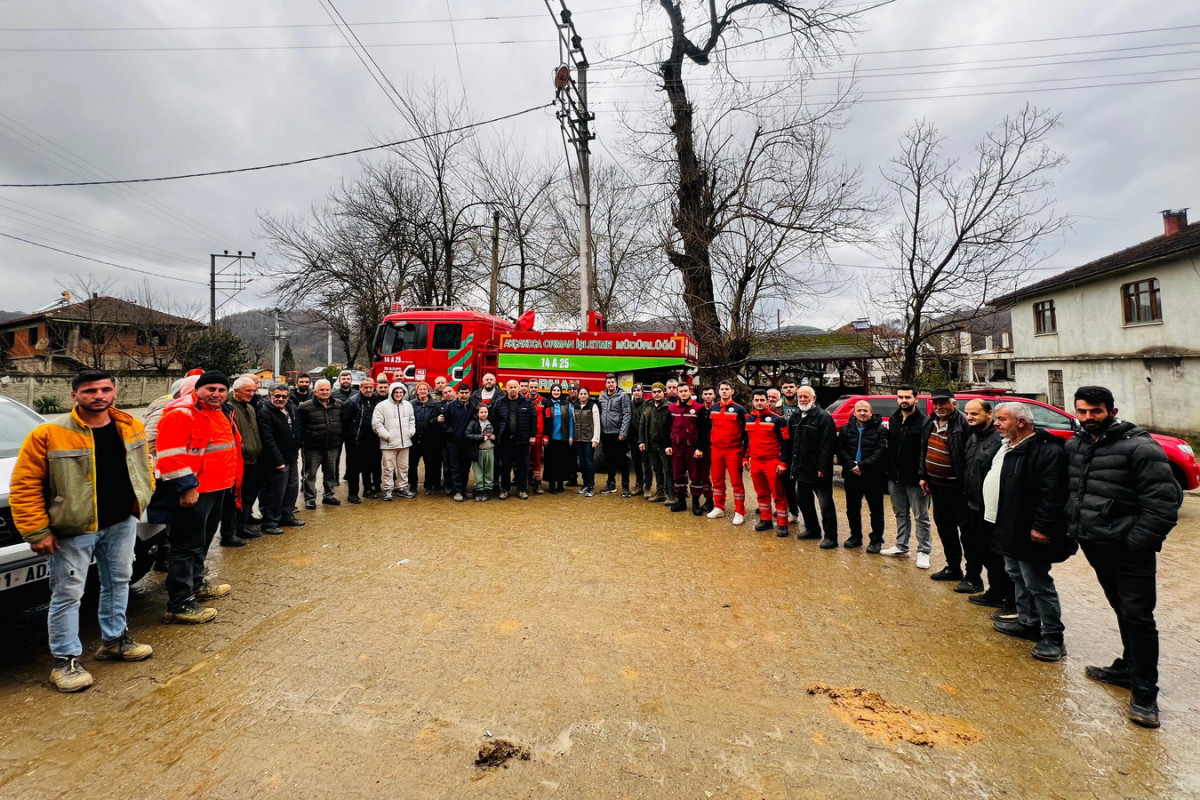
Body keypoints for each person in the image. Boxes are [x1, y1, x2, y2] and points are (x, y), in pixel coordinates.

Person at [10, 370, 155, 692]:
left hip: (121, 522)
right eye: (90, 390)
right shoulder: (49, 434)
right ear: (75, 395)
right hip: (74, 530)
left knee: (119, 582)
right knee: (67, 594)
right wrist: (36, 531)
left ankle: (115, 640)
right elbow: (25, 485)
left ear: (114, 392)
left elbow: (144, 463)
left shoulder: (130, 425)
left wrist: (144, 493)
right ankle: (65, 660)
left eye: (105, 389)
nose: (99, 395)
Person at [1066, 386, 1180, 729]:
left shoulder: (1141, 448)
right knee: (1121, 608)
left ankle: (1145, 694)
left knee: (1139, 616)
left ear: (1111, 411)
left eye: (1096, 411)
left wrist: (1136, 543)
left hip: (1130, 550)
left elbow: (1163, 505)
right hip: (1096, 543)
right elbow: (1076, 492)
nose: (1088, 418)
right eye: (1083, 411)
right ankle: (1129, 667)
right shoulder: (1077, 445)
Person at [987, 403, 1075, 664]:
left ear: (1021, 422)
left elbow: (1053, 494)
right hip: (1010, 526)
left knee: (1037, 582)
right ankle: (1028, 623)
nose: (996, 424)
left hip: (1031, 531)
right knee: (1016, 575)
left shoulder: (1047, 451)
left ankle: (1052, 636)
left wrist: (1042, 527)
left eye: (1001, 419)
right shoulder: (1011, 447)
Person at [154, 370, 241, 625]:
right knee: (186, 545)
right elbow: (171, 455)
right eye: (210, 389)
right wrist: (187, 487)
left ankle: (196, 584)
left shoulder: (220, 412)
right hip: (195, 491)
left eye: (221, 390)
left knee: (201, 541)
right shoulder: (181, 413)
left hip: (217, 488)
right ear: (198, 389)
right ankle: (179, 603)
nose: (216, 394)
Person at [919, 388, 973, 583]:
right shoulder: (929, 421)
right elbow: (923, 450)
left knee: (967, 534)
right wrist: (923, 475)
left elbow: (969, 457)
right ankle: (953, 568)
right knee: (945, 529)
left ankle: (973, 575)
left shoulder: (964, 423)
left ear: (954, 403)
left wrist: (968, 484)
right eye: (936, 403)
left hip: (958, 488)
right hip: (936, 486)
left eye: (943, 402)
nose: (939, 406)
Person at [962, 399, 1012, 610]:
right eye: (967, 413)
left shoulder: (998, 440)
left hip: (990, 508)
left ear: (988, 414)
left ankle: (1002, 594)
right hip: (973, 504)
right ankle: (993, 590)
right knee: (979, 549)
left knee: (995, 555)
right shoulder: (973, 437)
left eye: (975, 414)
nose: (970, 417)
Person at [882, 385, 933, 567]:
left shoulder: (924, 422)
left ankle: (924, 551)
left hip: (916, 478)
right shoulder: (894, 420)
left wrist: (924, 475)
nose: (904, 400)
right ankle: (901, 546)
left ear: (916, 399)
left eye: (908, 397)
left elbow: (925, 451)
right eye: (901, 397)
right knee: (900, 513)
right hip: (895, 476)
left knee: (921, 516)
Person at [786, 385, 838, 547]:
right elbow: (790, 442)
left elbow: (827, 446)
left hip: (818, 470)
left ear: (814, 398)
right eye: (800, 397)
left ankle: (831, 537)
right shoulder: (795, 416)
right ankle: (813, 529)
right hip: (801, 468)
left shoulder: (824, 418)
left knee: (825, 504)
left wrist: (822, 467)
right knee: (803, 500)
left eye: (806, 397)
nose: (802, 399)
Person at [837, 399, 887, 551]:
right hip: (852, 475)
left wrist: (862, 466)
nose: (862, 413)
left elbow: (881, 452)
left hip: (873, 475)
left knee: (876, 510)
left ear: (871, 412)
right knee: (852, 508)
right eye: (859, 410)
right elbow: (840, 449)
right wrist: (852, 465)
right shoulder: (846, 429)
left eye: (866, 410)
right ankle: (855, 536)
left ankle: (876, 540)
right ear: (854, 413)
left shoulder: (881, 430)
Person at [257, 384, 306, 535]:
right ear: (270, 395)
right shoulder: (265, 412)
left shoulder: (291, 408)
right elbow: (268, 439)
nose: (280, 399)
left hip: (291, 456)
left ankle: (287, 516)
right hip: (276, 459)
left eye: (284, 396)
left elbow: (297, 428)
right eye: (277, 396)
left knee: (291, 488)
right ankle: (270, 522)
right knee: (275, 492)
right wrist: (278, 460)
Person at [744, 388, 789, 536]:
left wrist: (783, 462)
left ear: (767, 401)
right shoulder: (749, 419)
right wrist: (746, 457)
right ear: (753, 402)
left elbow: (785, 443)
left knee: (778, 494)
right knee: (761, 493)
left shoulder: (778, 420)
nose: (759, 402)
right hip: (756, 462)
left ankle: (782, 524)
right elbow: (748, 442)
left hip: (772, 462)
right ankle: (766, 520)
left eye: (762, 400)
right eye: (756, 400)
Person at [224, 375, 263, 547]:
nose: (252, 394)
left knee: (247, 495)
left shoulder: (250, 408)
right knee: (233, 500)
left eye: (253, 391)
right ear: (236, 391)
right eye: (248, 391)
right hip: (237, 461)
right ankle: (229, 533)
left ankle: (243, 526)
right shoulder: (228, 409)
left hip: (252, 460)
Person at [297, 379, 343, 509]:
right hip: (312, 448)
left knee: (330, 473)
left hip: (333, 446)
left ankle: (328, 496)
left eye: (327, 389)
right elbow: (299, 427)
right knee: (310, 475)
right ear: (315, 392)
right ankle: (310, 498)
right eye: (322, 390)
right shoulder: (305, 407)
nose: (325, 392)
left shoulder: (339, 405)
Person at [707, 380, 747, 525]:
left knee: (736, 482)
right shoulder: (713, 408)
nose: (724, 391)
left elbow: (746, 431)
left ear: (732, 391)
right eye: (721, 389)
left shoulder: (740, 409)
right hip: (716, 450)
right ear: (718, 392)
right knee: (716, 481)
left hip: (733, 450)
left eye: (726, 389)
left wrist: (744, 452)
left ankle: (739, 512)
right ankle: (718, 507)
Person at [667, 383, 709, 515]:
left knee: (695, 476)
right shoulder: (672, 408)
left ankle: (695, 503)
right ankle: (681, 502)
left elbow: (703, 430)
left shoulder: (698, 408)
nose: (683, 393)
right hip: (677, 446)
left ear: (690, 391)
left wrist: (699, 448)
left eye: (685, 391)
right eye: (681, 391)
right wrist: (668, 445)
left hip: (692, 448)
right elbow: (667, 428)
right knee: (678, 474)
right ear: (677, 393)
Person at [491, 380, 537, 500]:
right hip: (505, 441)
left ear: (519, 388)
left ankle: (522, 490)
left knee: (523, 466)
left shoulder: (527, 402)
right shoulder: (500, 402)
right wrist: (496, 434)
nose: (512, 389)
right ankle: (505, 490)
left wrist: (532, 435)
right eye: (510, 387)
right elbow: (494, 418)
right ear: (506, 388)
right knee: (505, 467)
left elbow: (533, 419)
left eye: (515, 387)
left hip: (522, 440)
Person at [372, 382, 416, 501]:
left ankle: (402, 488)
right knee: (388, 468)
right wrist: (387, 436)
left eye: (401, 392)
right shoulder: (381, 406)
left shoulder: (408, 405)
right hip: (388, 443)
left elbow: (412, 420)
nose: (398, 394)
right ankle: (388, 489)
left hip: (405, 442)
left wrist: (410, 432)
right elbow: (376, 424)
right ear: (391, 392)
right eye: (396, 392)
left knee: (403, 467)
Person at [341, 377, 382, 502]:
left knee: (368, 466)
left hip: (372, 439)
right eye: (366, 388)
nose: (368, 390)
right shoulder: (352, 402)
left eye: (370, 387)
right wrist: (350, 438)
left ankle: (367, 489)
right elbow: (345, 423)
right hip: (355, 440)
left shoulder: (377, 400)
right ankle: (352, 493)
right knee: (353, 468)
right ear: (360, 388)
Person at [439, 383, 476, 502]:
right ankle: (457, 491)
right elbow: (443, 422)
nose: (464, 395)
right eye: (462, 393)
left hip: (468, 443)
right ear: (458, 393)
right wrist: (452, 432)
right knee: (455, 467)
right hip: (453, 442)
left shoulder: (473, 407)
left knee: (465, 468)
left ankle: (464, 489)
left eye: (466, 393)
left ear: (470, 393)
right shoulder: (450, 406)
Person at [597, 374, 633, 497]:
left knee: (622, 461)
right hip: (606, 434)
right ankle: (611, 484)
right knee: (609, 460)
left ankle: (625, 486)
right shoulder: (601, 396)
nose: (611, 384)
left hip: (618, 434)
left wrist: (623, 432)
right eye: (608, 382)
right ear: (605, 384)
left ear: (616, 383)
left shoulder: (623, 396)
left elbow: (627, 414)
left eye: (613, 382)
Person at [638, 383, 673, 502]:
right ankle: (660, 492)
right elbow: (642, 424)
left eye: (659, 391)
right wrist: (642, 440)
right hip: (651, 444)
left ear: (664, 393)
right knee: (657, 469)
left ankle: (671, 494)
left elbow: (672, 427)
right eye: (654, 392)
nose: (656, 394)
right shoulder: (647, 405)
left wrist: (670, 444)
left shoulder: (669, 406)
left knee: (668, 470)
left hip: (665, 445)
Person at [409, 381, 443, 496]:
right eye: (420, 389)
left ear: (428, 391)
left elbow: (437, 422)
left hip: (429, 439)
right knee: (412, 464)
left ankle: (428, 486)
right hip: (414, 439)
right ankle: (413, 486)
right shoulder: (411, 404)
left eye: (425, 389)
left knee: (430, 464)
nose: (423, 391)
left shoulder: (435, 405)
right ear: (417, 391)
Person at [541, 384, 575, 494]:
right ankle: (551, 484)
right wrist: (545, 436)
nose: (556, 392)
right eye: (554, 390)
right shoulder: (546, 404)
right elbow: (544, 421)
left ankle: (560, 484)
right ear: (551, 391)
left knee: (562, 461)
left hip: (563, 438)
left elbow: (570, 420)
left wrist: (570, 436)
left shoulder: (567, 404)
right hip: (551, 438)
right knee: (551, 461)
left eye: (558, 390)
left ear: (561, 392)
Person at [777, 380, 802, 523]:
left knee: (804, 485)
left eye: (791, 387)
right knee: (787, 483)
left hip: (802, 448)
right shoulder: (777, 407)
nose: (788, 390)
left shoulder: (804, 403)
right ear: (781, 390)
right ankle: (793, 512)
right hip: (784, 449)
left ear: (796, 388)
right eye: (785, 387)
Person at [573, 386, 602, 497]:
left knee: (589, 463)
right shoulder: (574, 406)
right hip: (578, 439)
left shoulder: (593, 406)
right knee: (582, 463)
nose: (583, 395)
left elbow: (597, 423)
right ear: (578, 395)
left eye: (585, 394)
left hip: (589, 439)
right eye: (581, 394)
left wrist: (596, 439)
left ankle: (591, 486)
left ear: (588, 395)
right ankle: (584, 485)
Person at [465, 404, 496, 501]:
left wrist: (494, 437)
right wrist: (481, 437)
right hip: (478, 451)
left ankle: (487, 490)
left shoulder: (491, 422)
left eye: (485, 412)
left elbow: (498, 433)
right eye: (481, 412)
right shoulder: (473, 423)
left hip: (489, 450)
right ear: (477, 413)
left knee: (489, 471)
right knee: (478, 472)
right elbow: (467, 435)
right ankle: (479, 490)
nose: (484, 414)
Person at [526, 381, 546, 494]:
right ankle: (527, 482)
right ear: (528, 388)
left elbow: (547, 419)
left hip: (538, 435)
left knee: (537, 460)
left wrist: (546, 435)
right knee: (525, 460)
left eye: (535, 387)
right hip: (526, 435)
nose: (533, 389)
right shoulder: (522, 399)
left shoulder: (544, 401)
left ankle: (537, 484)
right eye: (531, 387)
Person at [627, 384, 647, 496]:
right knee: (636, 463)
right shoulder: (630, 405)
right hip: (633, 438)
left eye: (638, 390)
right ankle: (639, 484)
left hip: (644, 438)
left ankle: (647, 486)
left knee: (647, 463)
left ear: (642, 392)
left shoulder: (647, 404)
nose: (636, 392)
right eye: (634, 391)